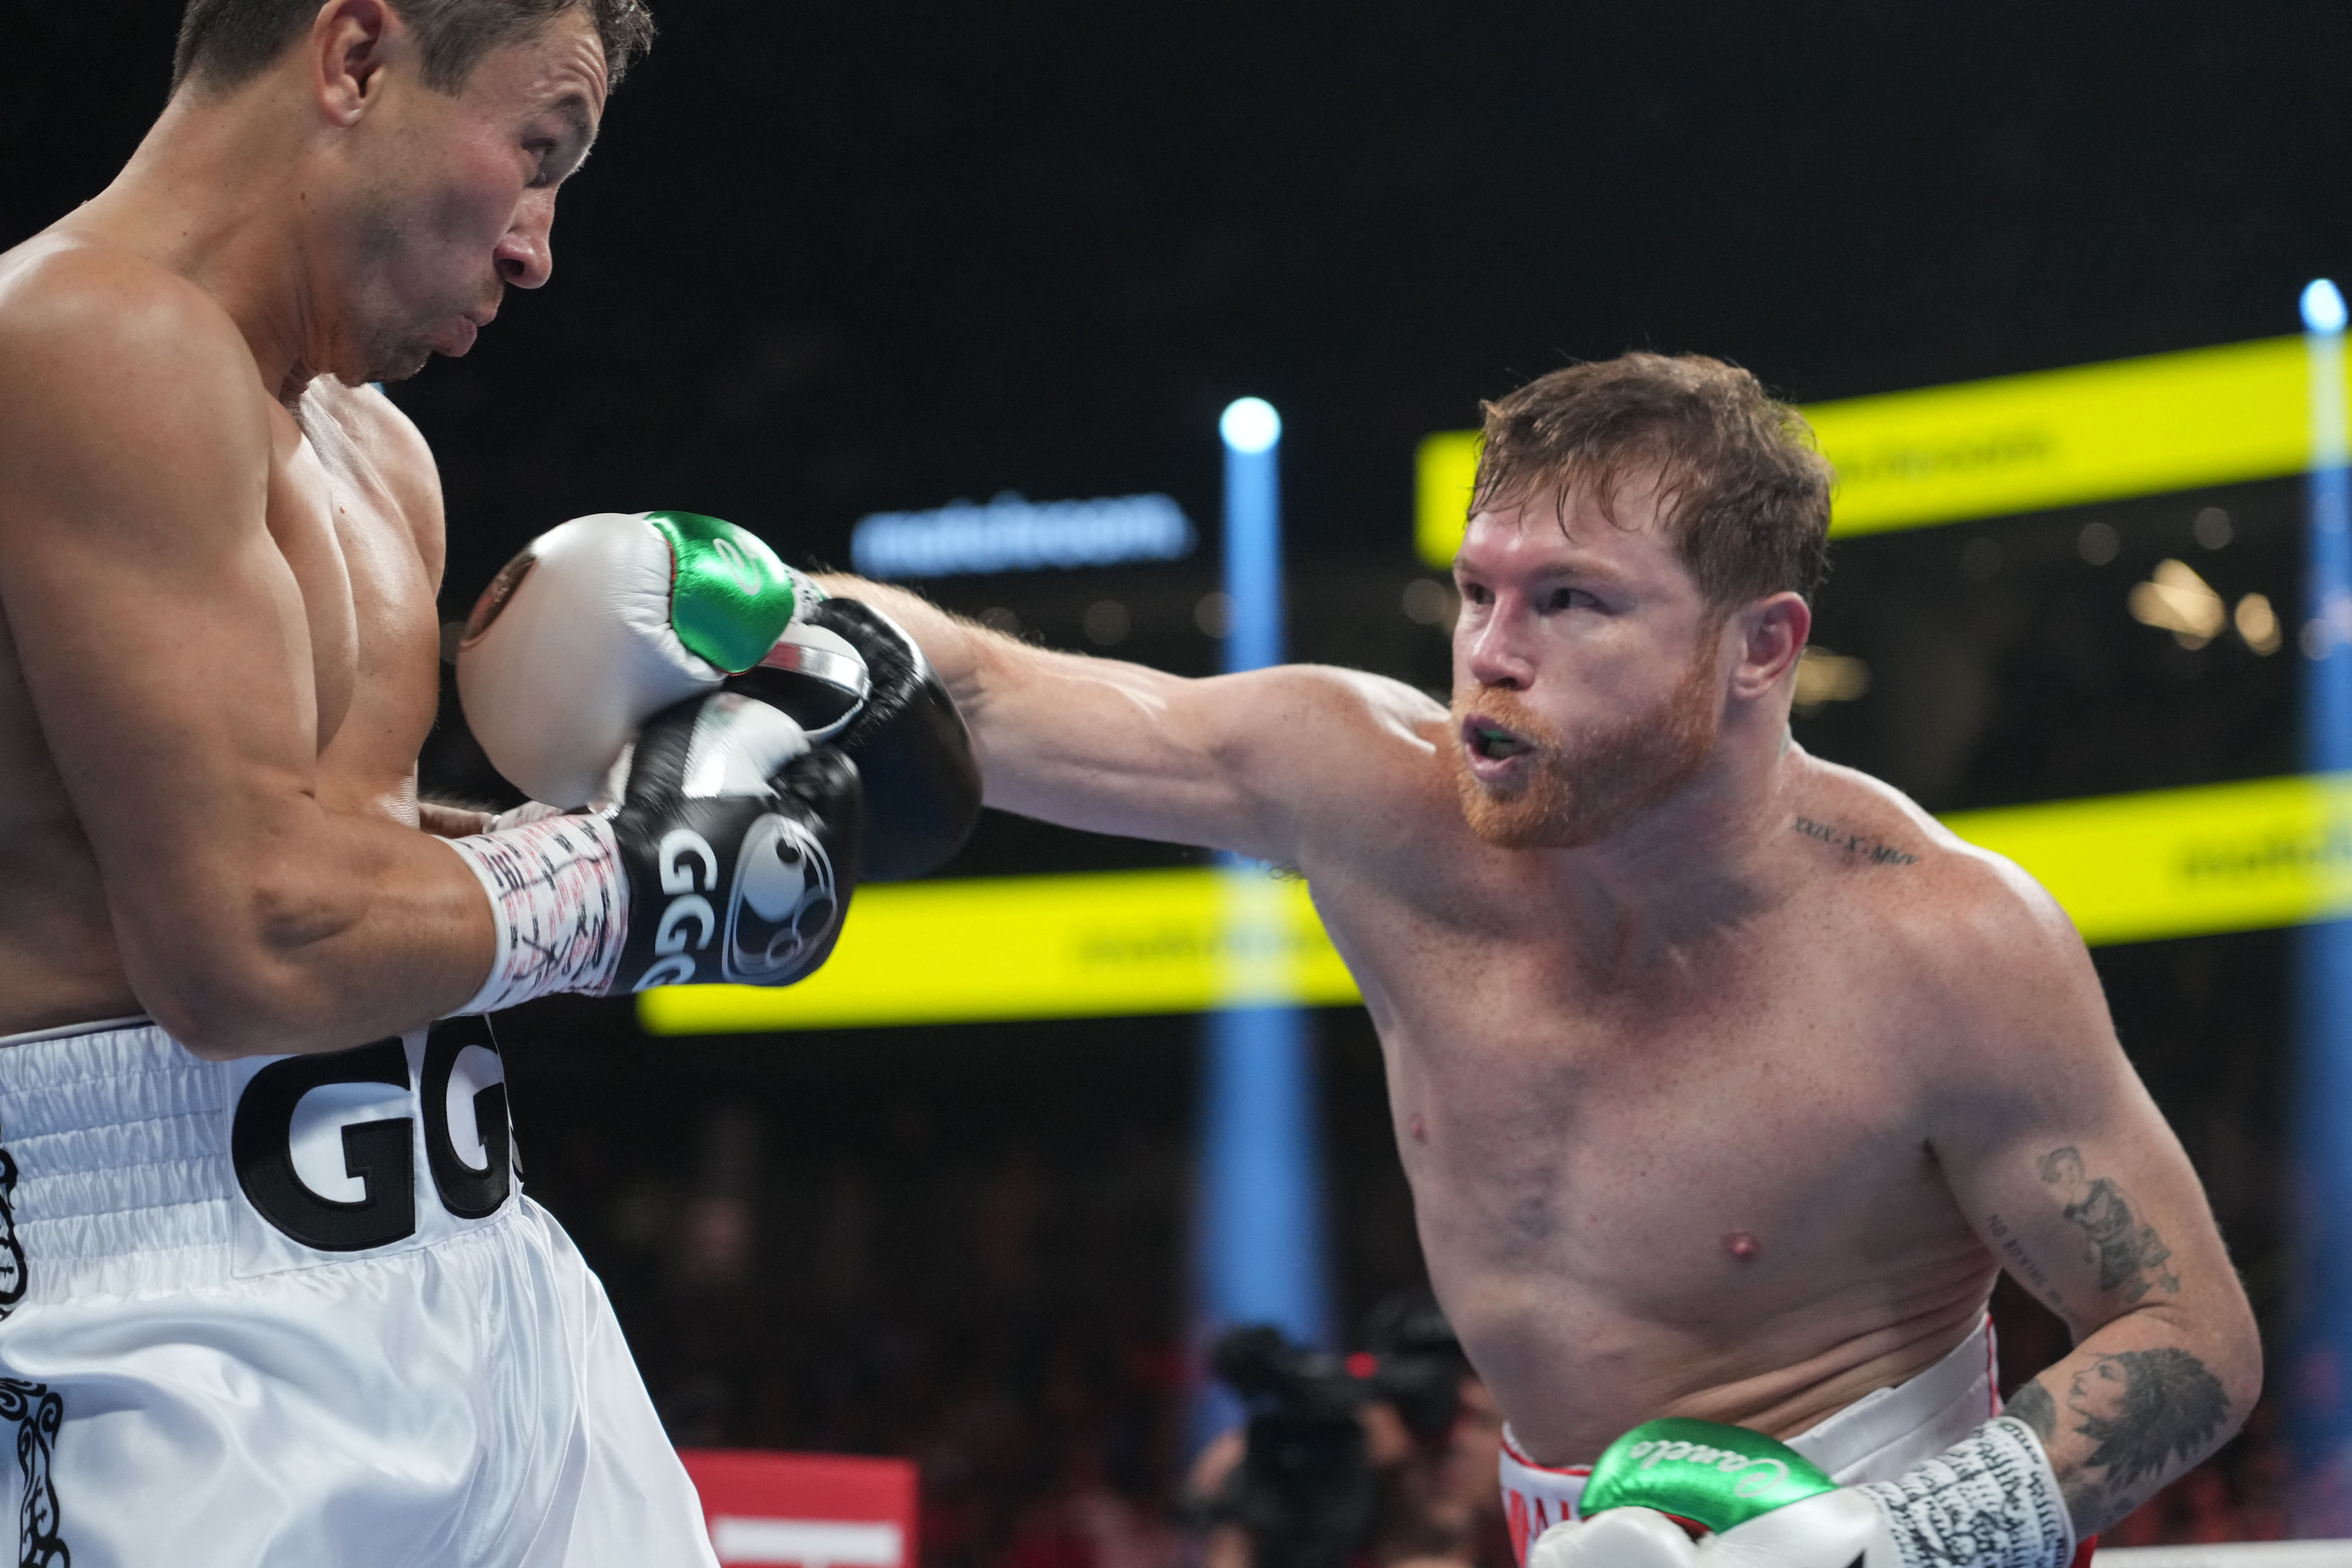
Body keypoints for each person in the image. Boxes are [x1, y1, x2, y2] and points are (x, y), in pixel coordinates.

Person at [823, 353, 2263, 1568]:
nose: (1492, 656)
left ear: (1761, 647)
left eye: (1571, 601)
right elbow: (975, 690)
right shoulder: (1378, 798)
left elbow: (2193, 1335)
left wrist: (1889, 1541)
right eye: (1477, 594)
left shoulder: (1940, 943)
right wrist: (719, 602)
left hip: (1854, 1512)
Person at [0, 0, 923, 1560]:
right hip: (159, 1304)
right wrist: (631, 883)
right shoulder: (84, 335)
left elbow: (331, 852)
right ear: (356, 57)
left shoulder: (374, 450)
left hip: (482, 1261)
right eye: (538, 152)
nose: (537, 248)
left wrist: (644, 829)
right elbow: (243, 943)